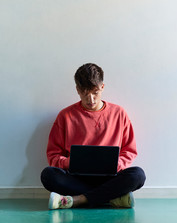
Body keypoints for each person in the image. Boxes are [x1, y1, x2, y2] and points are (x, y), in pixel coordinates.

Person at [41, 63, 146, 210]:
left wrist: (117, 164)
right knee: (48, 175)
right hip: (77, 177)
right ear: (77, 90)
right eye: (85, 93)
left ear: (102, 87)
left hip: (110, 177)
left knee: (138, 175)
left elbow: (129, 151)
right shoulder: (65, 116)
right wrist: (69, 163)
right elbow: (53, 155)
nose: (90, 99)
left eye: (95, 93)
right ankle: (111, 198)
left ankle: (77, 200)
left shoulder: (119, 113)